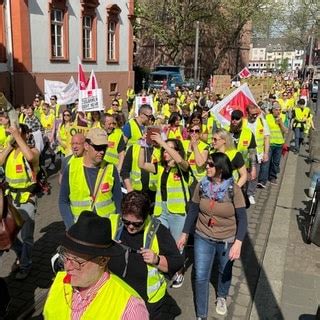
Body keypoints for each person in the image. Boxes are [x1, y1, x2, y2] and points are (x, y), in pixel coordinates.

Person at [177, 152, 247, 318]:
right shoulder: (201, 185)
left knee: (224, 271)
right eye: (206, 164)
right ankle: (202, 314)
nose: (206, 167)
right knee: (200, 276)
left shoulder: (233, 189)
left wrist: (238, 243)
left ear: (220, 169)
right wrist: (185, 233)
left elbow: (243, 219)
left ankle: (221, 296)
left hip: (226, 239)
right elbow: (193, 209)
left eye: (210, 165)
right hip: (203, 236)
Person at [43, 211, 149, 319]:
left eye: (77, 261)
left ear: (103, 260)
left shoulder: (130, 306)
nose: (68, 267)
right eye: (65, 257)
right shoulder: (60, 281)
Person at [109, 191, 183, 319]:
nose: (130, 227)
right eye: (126, 222)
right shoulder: (112, 223)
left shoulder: (158, 231)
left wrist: (157, 260)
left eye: (137, 224)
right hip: (118, 296)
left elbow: (177, 262)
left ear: (146, 217)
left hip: (147, 301)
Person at [139, 134, 189, 288]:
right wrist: (142, 144)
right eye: (164, 149)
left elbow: (181, 161)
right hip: (161, 211)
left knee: (177, 244)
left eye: (170, 149)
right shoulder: (160, 167)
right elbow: (141, 164)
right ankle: (163, 265)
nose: (165, 151)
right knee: (158, 240)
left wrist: (163, 143)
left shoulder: (182, 168)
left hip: (177, 212)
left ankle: (178, 272)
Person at [59, 128, 122, 229]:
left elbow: (118, 200)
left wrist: (118, 226)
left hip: (107, 228)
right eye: (97, 147)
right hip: (81, 229)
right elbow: (63, 201)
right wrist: (71, 226)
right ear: (86, 146)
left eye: (104, 147)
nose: (101, 152)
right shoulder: (71, 167)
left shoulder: (110, 168)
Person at [0, 124, 40, 280]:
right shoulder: (10, 152)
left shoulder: (33, 151)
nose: (14, 135)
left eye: (18, 133)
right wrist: (11, 143)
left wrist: (17, 135)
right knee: (10, 233)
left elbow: (30, 157)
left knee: (27, 236)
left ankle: (25, 264)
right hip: (11, 200)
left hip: (27, 199)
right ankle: (21, 254)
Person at [244, 104, 270, 204]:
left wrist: (266, 153)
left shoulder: (262, 122)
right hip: (245, 154)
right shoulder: (243, 123)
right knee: (244, 174)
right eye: (252, 114)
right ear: (247, 113)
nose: (255, 116)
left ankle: (250, 193)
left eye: (256, 114)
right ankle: (243, 192)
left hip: (257, 154)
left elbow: (266, 138)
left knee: (254, 175)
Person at [259, 103, 288, 187]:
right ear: (272, 110)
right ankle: (262, 180)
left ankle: (272, 177)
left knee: (276, 162)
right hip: (269, 143)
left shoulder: (284, 117)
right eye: (276, 110)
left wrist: (281, 123)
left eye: (279, 110)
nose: (278, 112)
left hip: (279, 144)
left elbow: (286, 130)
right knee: (266, 162)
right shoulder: (267, 117)